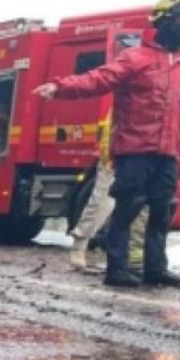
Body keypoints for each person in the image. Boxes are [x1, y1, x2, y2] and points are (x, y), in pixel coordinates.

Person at [34, 0, 180, 288]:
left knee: (162, 212)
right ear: (163, 22)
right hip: (135, 150)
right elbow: (98, 79)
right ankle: (117, 268)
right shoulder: (136, 58)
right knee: (128, 207)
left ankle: (155, 269)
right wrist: (60, 87)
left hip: (167, 153)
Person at [69, 111, 147, 271]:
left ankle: (133, 256)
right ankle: (79, 245)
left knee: (140, 206)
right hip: (119, 153)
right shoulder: (130, 96)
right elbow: (114, 123)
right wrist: (108, 153)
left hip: (144, 155)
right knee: (102, 201)